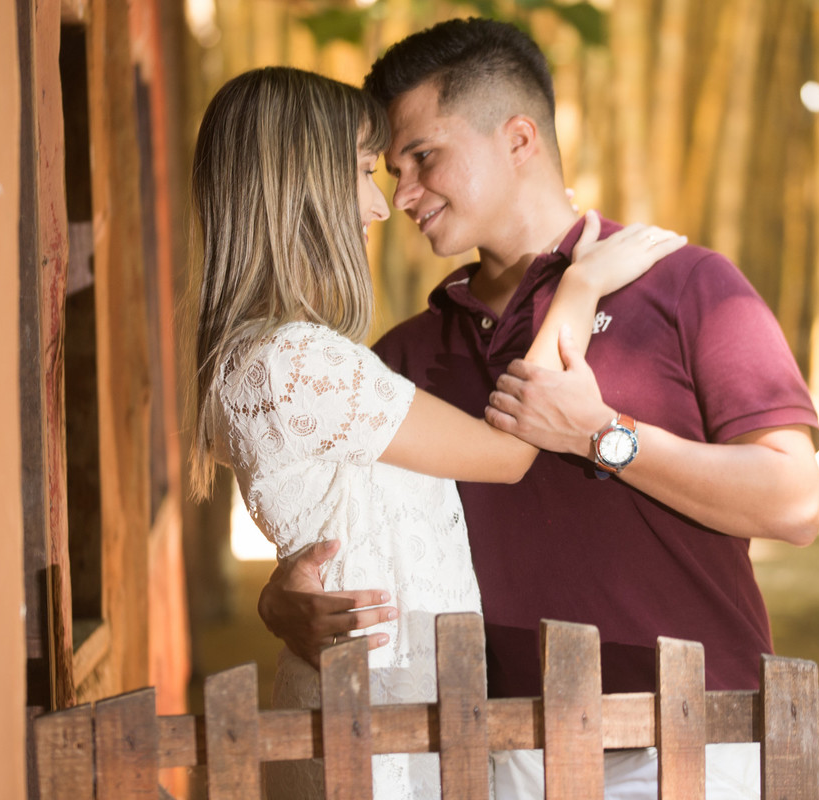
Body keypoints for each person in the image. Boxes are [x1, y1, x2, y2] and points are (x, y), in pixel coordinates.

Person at [255, 18, 819, 800]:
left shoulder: (686, 285)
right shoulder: (400, 357)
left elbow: (794, 502)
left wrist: (603, 435)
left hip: (695, 737)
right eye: (391, 170)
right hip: (497, 753)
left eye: (424, 156)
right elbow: (347, 538)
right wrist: (285, 599)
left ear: (519, 137)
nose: (405, 194)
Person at [190, 66, 684, 800]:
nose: (381, 205)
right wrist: (578, 290)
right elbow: (511, 452)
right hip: (376, 706)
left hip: (365, 692)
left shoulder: (257, 356)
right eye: (364, 171)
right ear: (299, 185)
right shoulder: (301, 360)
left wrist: (276, 597)